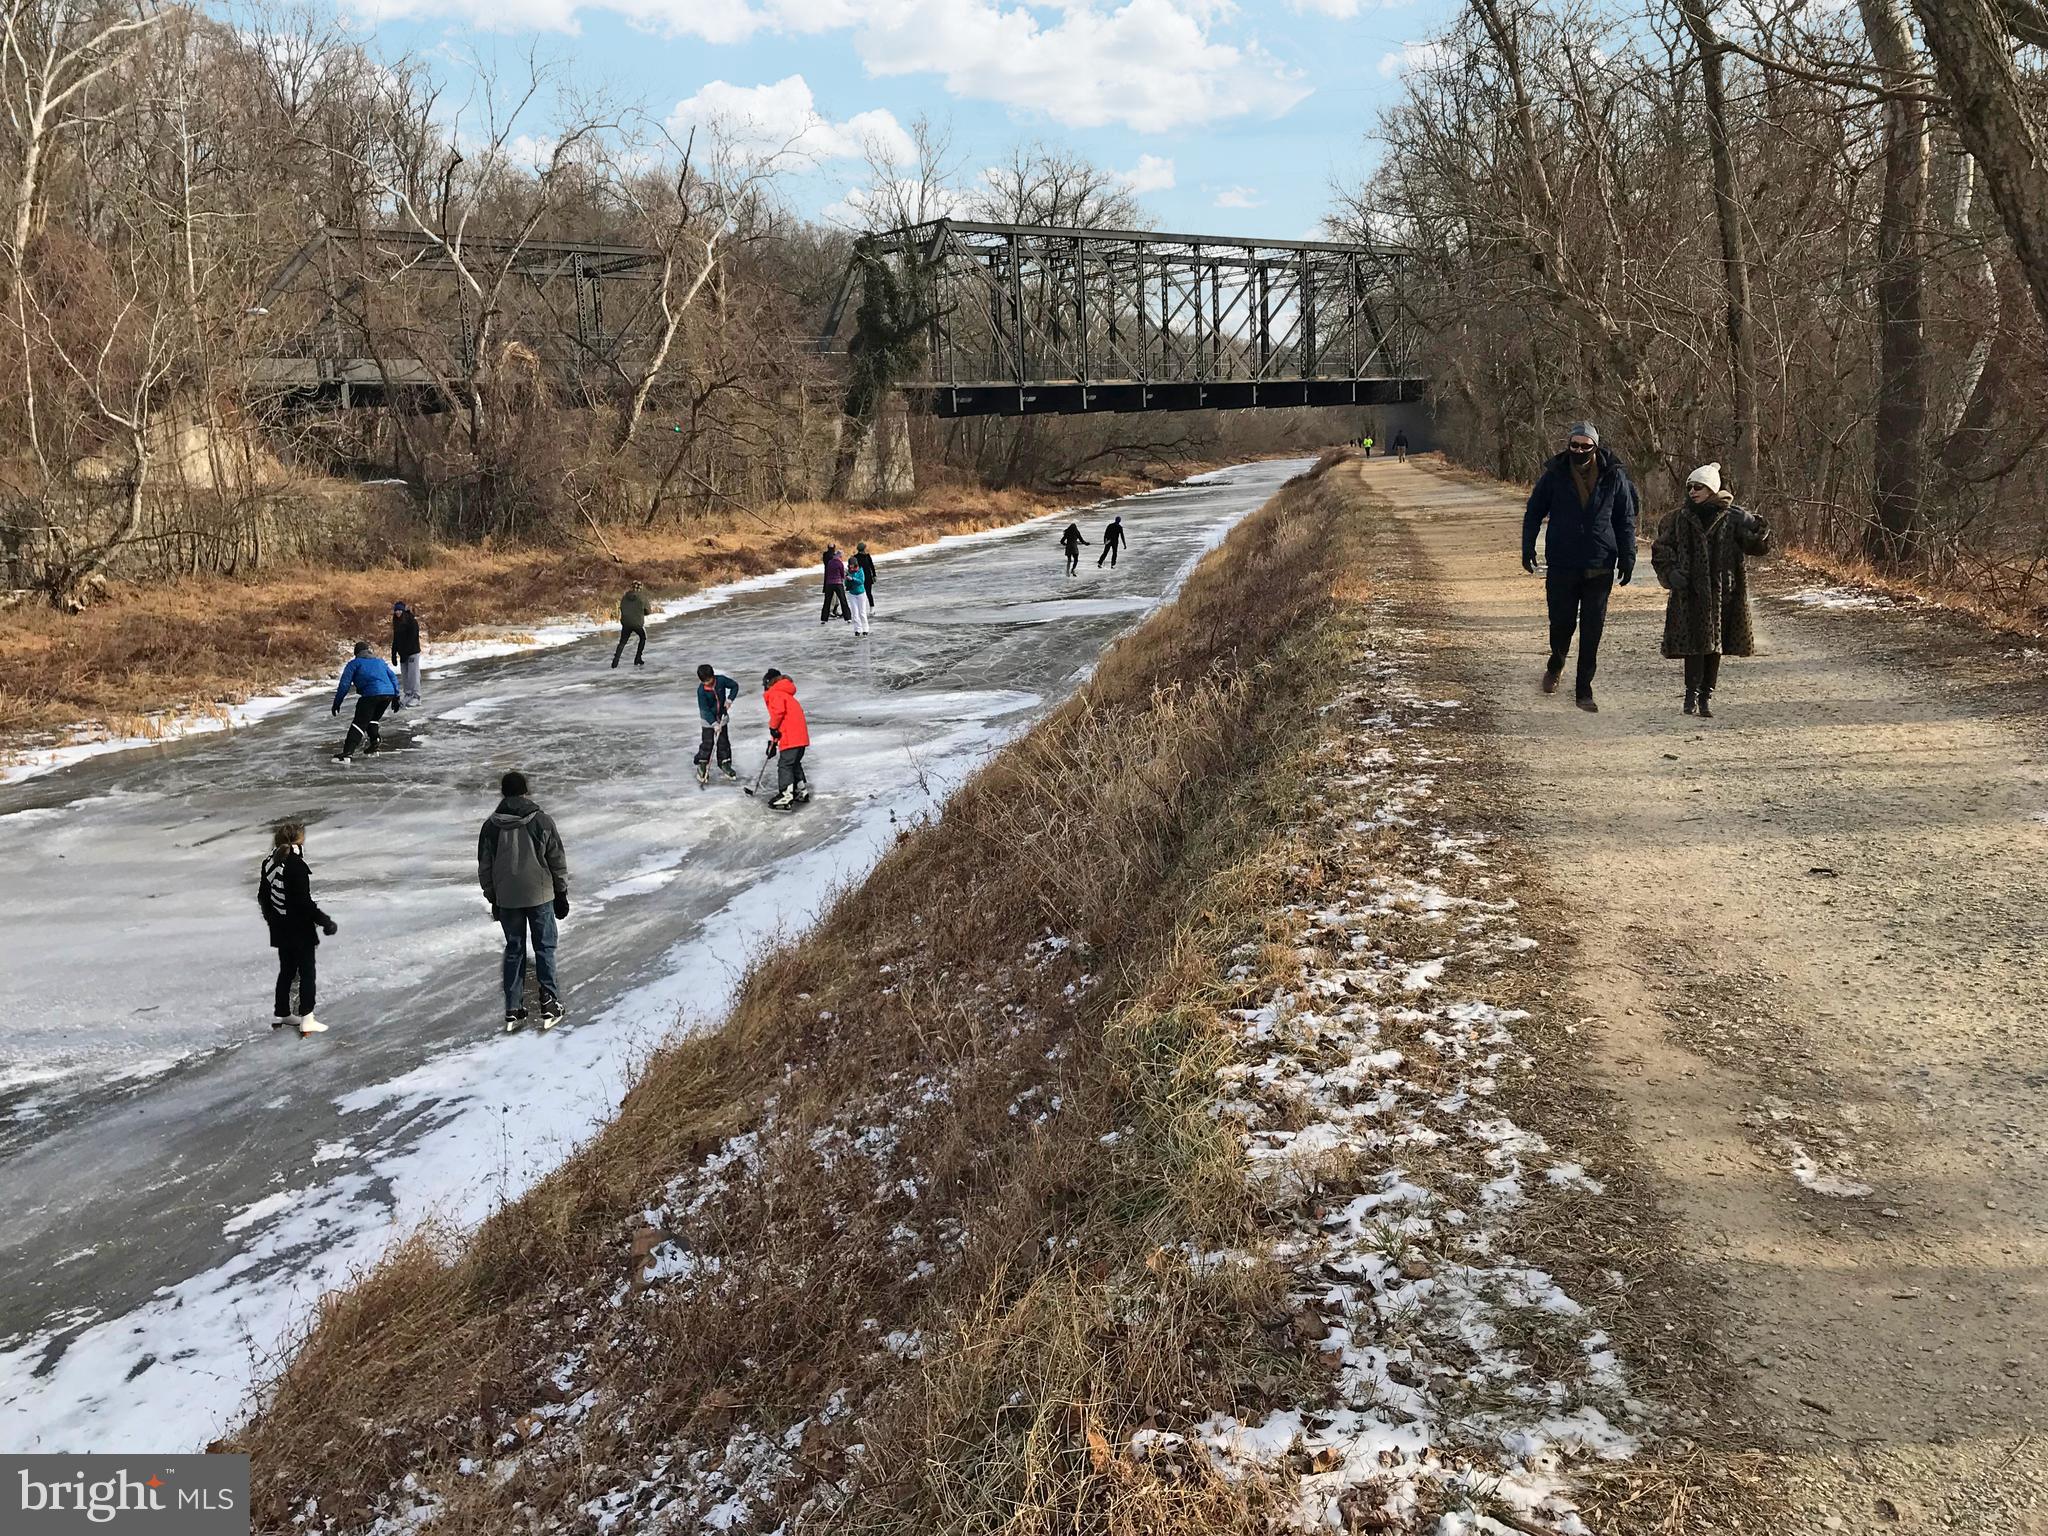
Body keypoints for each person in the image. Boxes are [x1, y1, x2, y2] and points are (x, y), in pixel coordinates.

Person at [1522, 420, 1639, 713]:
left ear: (1595, 447)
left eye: (1585, 446)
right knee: (1561, 623)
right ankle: (1557, 661)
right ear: (1567, 446)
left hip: (1600, 562)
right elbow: (1534, 511)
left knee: (1592, 628)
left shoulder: (1614, 476)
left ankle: (1584, 689)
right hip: (1562, 561)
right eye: (1574, 446)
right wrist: (1527, 547)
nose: (1578, 451)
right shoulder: (1554, 474)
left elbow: (1625, 519)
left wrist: (1628, 556)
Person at [1651, 462, 1771, 719]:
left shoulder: (1732, 518)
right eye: (1690, 487)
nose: (1693, 491)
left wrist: (1754, 524)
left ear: (1712, 490)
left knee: (1715, 647)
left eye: (1699, 487)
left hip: (1722, 594)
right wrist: (1671, 573)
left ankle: (1706, 696)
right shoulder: (1677, 519)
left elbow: (1759, 548)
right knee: (1694, 645)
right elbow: (1661, 550)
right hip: (1689, 594)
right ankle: (1690, 695)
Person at [477, 770, 570, 1031]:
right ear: (525, 791)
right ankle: (549, 1002)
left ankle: (513, 1008)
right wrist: (561, 893)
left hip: (508, 899)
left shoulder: (491, 827)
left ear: (504, 793)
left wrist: (493, 897)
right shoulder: (542, 820)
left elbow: (485, 867)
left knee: (514, 950)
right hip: (540, 895)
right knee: (544, 947)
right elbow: (557, 860)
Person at [257, 820, 336, 1037]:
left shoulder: (269, 863)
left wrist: (272, 919)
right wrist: (326, 922)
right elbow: (304, 904)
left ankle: (283, 1014)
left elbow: (263, 897)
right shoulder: (296, 866)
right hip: (299, 929)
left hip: (280, 928)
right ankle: (307, 1019)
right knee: (307, 973)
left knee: (287, 971)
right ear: (299, 841)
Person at [331, 640, 401, 762]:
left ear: (356, 653)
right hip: (388, 694)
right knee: (372, 719)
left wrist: (337, 702)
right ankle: (375, 743)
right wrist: (396, 696)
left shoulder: (354, 664)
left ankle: (348, 753)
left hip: (371, 694)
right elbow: (393, 678)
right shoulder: (380, 662)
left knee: (359, 723)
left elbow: (344, 684)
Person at [761, 668, 810, 811]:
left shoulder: (775, 694)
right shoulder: (786, 694)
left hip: (791, 737)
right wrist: (773, 742)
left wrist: (772, 728)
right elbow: (783, 722)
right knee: (794, 763)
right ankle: (801, 790)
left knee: (785, 765)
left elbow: (778, 714)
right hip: (799, 737)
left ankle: (786, 794)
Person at [694, 663, 741, 785]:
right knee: (708, 743)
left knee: (723, 742)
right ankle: (702, 764)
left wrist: (729, 699)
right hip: (708, 721)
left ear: (713, 676)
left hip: (722, 717)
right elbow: (704, 709)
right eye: (704, 681)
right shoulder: (701, 691)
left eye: (709, 680)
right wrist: (714, 724)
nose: (707, 683)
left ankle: (725, 763)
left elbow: (734, 686)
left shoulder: (720, 681)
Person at [391, 601, 423, 705]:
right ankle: (408, 694)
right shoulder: (396, 622)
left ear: (403, 611)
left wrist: (406, 652)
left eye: (399, 610)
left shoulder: (411, 621)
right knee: (405, 675)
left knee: (413, 674)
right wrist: (394, 654)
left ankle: (416, 696)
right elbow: (395, 639)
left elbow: (412, 638)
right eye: (396, 611)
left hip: (412, 652)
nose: (398, 613)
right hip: (403, 654)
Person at [613, 586, 648, 668]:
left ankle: (615, 662)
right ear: (640, 589)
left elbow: (621, 608)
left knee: (622, 642)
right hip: (637, 624)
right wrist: (640, 613)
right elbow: (648, 611)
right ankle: (638, 658)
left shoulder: (625, 597)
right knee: (643, 638)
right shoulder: (642, 598)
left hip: (626, 623)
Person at [820, 546, 850, 624]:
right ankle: (848, 617)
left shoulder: (830, 562)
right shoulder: (840, 563)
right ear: (840, 556)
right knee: (843, 600)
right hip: (838, 583)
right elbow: (842, 575)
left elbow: (828, 573)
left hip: (829, 584)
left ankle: (824, 618)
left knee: (827, 601)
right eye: (842, 557)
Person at [845, 554, 871, 635]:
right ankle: (857, 629)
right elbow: (846, 583)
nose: (851, 568)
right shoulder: (848, 572)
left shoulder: (860, 571)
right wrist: (847, 580)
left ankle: (865, 629)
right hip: (852, 594)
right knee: (855, 613)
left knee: (862, 612)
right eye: (850, 566)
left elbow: (861, 581)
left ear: (856, 565)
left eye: (853, 566)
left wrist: (853, 579)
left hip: (861, 594)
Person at [854, 541, 878, 612]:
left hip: (867, 578)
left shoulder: (867, 556)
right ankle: (862, 608)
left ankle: (872, 607)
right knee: (861, 593)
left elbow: (871, 566)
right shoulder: (856, 557)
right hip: (859, 578)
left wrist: (874, 575)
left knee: (868, 593)